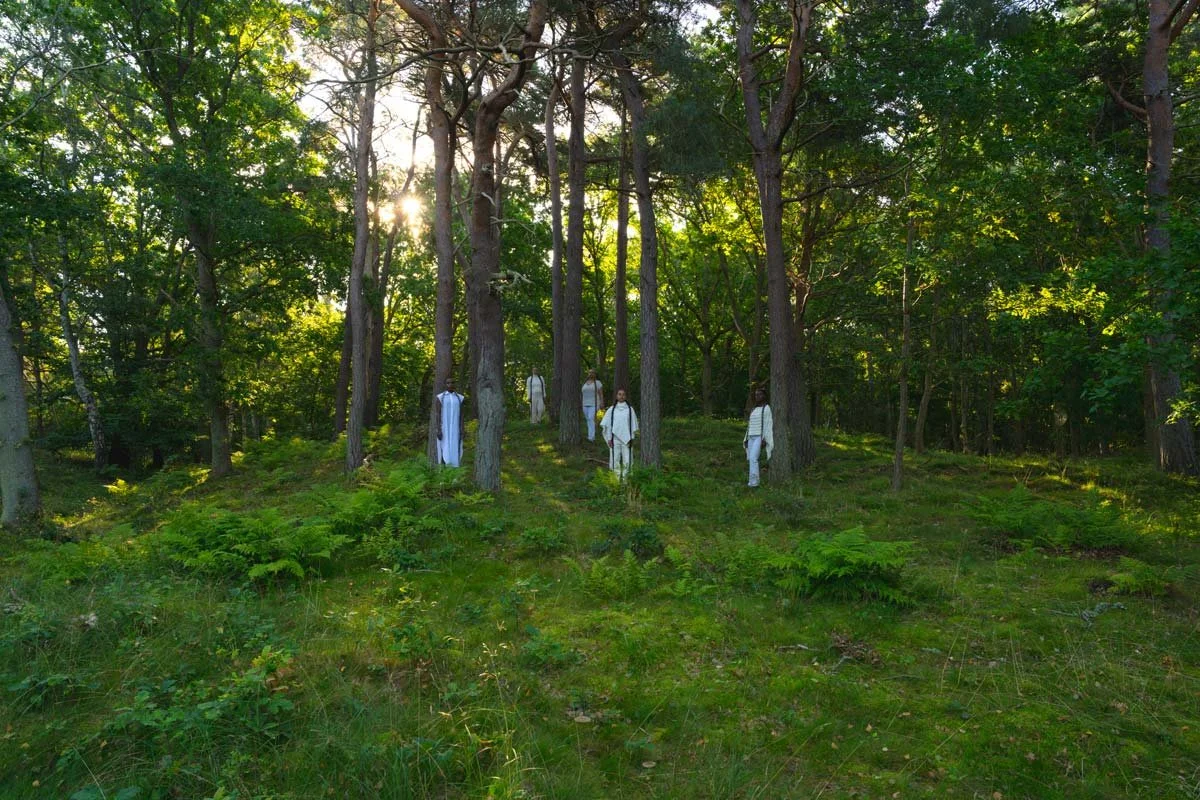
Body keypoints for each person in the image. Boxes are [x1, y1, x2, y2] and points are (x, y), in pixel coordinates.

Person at [600, 388, 638, 479]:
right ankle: (615, 480)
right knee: (614, 459)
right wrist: (609, 438)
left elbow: (633, 424)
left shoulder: (630, 409)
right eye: (619, 394)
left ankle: (626, 480)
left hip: (627, 439)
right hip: (614, 438)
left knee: (627, 459)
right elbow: (608, 424)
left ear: (626, 396)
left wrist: (632, 438)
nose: (621, 396)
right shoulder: (612, 409)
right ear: (617, 396)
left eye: (623, 394)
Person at [743, 386, 773, 487]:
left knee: (753, 458)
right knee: (751, 459)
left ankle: (755, 483)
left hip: (759, 437)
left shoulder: (767, 408)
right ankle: (751, 482)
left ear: (764, 396)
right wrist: (746, 438)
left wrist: (765, 438)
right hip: (751, 436)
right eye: (756, 395)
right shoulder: (754, 409)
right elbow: (750, 424)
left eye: (759, 394)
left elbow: (768, 424)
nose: (757, 396)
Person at [435, 377, 466, 467]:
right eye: (448, 383)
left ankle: (454, 475)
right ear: (445, 385)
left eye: (452, 383)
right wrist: (438, 429)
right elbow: (437, 414)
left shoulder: (460, 398)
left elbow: (462, 415)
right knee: (443, 448)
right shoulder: (440, 397)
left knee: (455, 448)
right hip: (444, 428)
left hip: (456, 428)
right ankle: (444, 473)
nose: (450, 384)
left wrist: (462, 429)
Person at [581, 369, 604, 441]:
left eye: (592, 372)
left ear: (595, 374)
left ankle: (591, 437)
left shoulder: (597, 383)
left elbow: (601, 394)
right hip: (584, 404)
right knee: (588, 419)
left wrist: (602, 402)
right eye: (589, 372)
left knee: (591, 418)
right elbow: (582, 394)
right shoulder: (585, 383)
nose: (591, 374)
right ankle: (590, 435)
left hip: (594, 403)